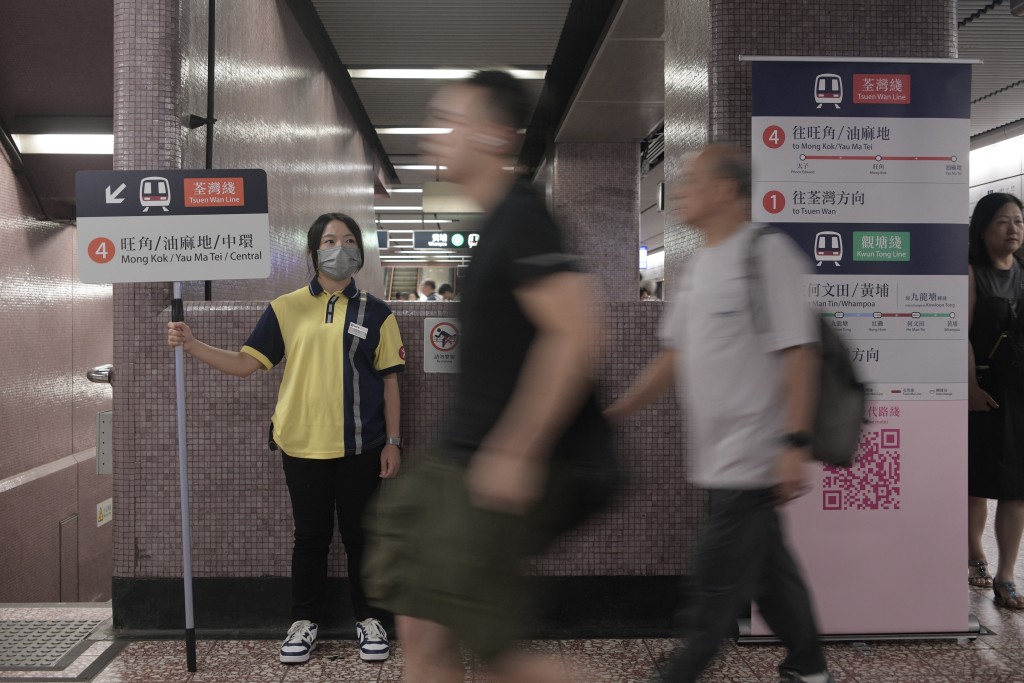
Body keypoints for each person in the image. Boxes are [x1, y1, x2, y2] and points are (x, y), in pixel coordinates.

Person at [365, 71, 615, 683]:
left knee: (488, 652)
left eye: (452, 123)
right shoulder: (497, 225)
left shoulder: (525, 218)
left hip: (496, 462)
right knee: (424, 628)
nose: (435, 138)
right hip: (463, 458)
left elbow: (578, 333)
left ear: (498, 135)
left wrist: (518, 448)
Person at [606, 145, 832, 683]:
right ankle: (809, 666)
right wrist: (614, 414)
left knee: (711, 584)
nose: (680, 190)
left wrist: (795, 443)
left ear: (726, 189)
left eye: (692, 180)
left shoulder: (767, 255)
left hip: (754, 452)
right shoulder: (702, 264)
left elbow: (800, 352)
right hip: (717, 456)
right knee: (771, 573)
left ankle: (680, 673)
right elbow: (673, 359)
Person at [167, 212, 406, 663]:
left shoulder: (378, 311)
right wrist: (193, 345)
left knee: (362, 536)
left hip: (362, 445)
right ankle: (304, 621)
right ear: (314, 252)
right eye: (331, 240)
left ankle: (370, 619)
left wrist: (393, 441)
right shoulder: (285, 307)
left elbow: (390, 380)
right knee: (311, 537)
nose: (341, 248)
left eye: (349, 240)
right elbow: (246, 364)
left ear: (360, 250)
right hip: (300, 444)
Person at [967, 192, 1024, 609]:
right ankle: (975, 555)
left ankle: (1007, 575)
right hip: (986, 391)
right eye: (1003, 221)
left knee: (1016, 487)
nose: (1013, 228)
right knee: (978, 483)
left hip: (1021, 390)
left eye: (1019, 221)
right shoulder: (972, 274)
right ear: (983, 229)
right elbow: (962, 337)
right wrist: (970, 387)